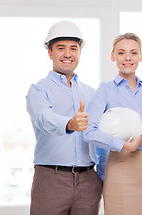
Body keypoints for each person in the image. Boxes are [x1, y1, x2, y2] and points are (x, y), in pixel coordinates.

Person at [83, 32, 142, 215]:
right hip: (120, 168)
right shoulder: (105, 90)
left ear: (141, 56)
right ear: (113, 56)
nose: (127, 57)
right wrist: (122, 145)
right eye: (121, 53)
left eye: (133, 52)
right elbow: (88, 132)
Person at [26, 20, 103, 215]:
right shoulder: (39, 90)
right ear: (50, 52)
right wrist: (70, 123)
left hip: (88, 180)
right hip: (51, 179)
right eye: (61, 48)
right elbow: (44, 118)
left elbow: (103, 133)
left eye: (73, 48)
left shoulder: (91, 93)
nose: (68, 54)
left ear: (79, 53)